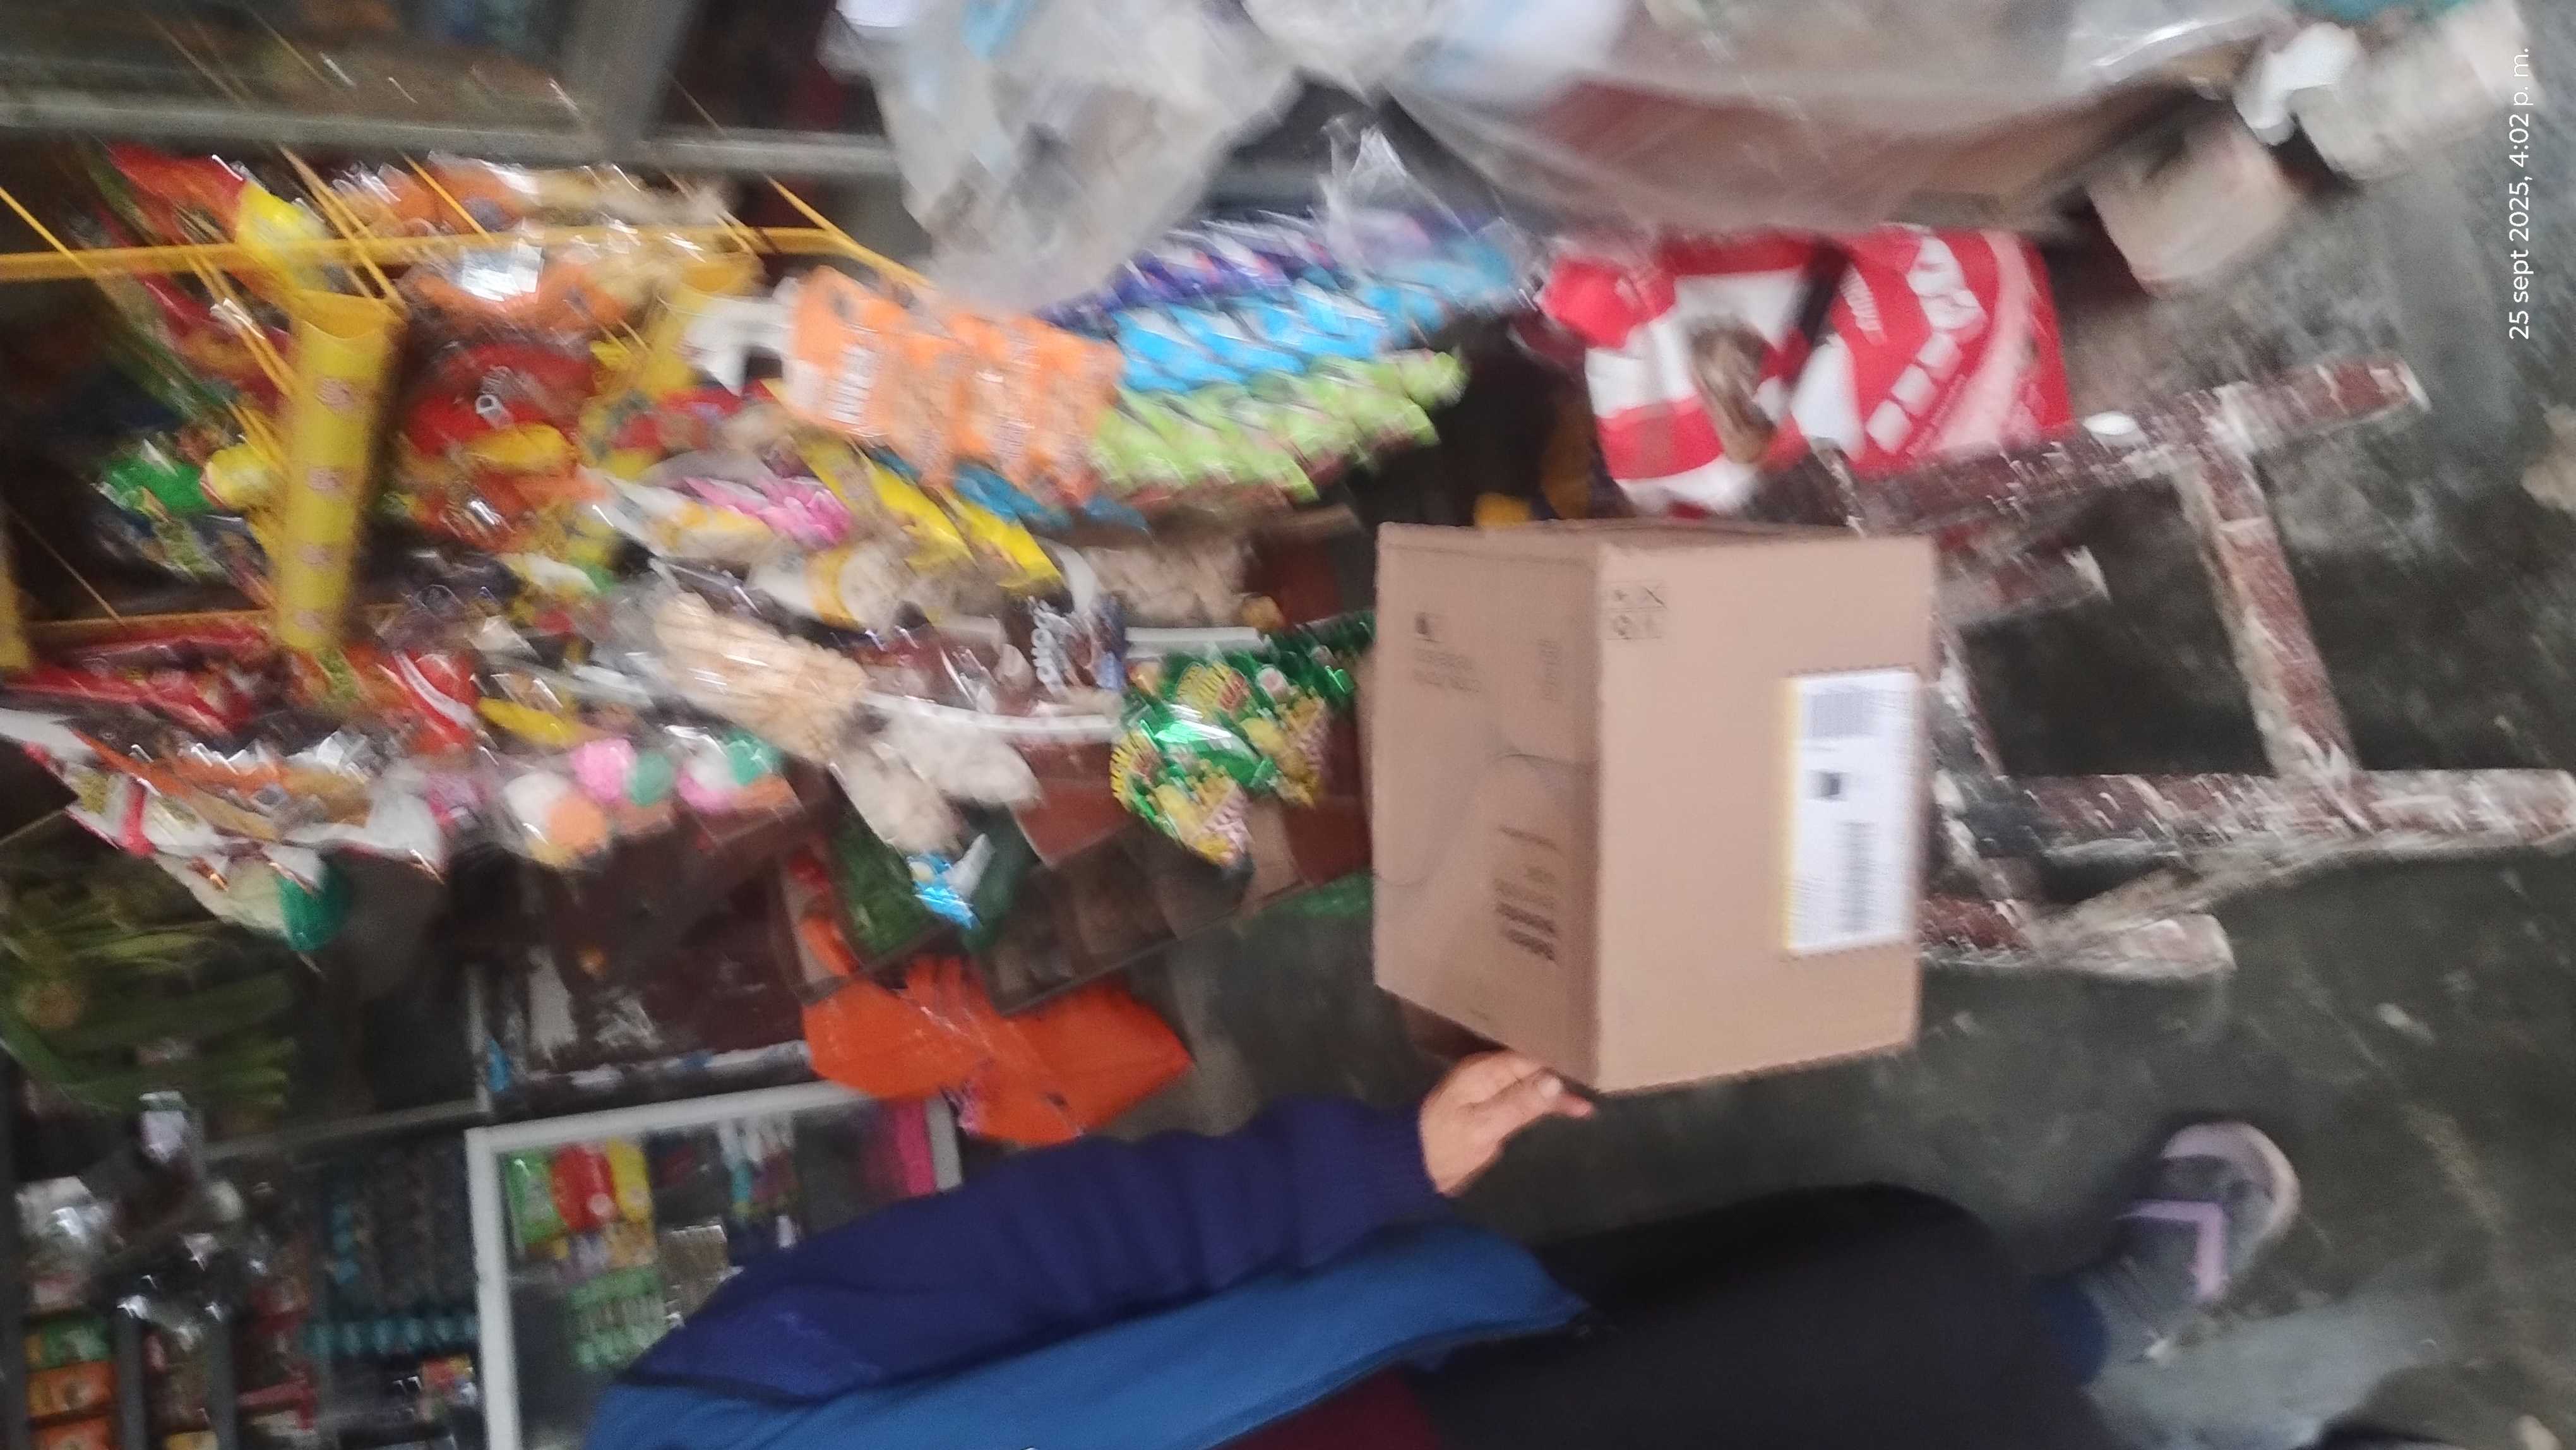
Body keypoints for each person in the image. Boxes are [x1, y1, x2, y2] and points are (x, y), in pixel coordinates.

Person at [594, 1052, 2302, 1450]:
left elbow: (1060, 1247)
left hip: (1426, 1392)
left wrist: (1375, 1166)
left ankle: (2094, 1320)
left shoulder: (715, 1407)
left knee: (1863, 1308)